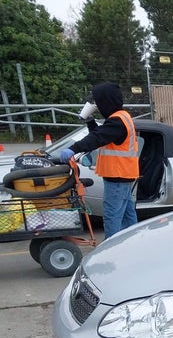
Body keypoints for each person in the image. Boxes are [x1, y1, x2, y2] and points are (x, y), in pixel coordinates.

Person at [58, 83, 140, 239]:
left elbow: (97, 138)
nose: (97, 105)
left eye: (98, 101)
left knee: (112, 216)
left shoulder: (117, 121)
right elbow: (102, 134)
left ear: (105, 101)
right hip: (123, 175)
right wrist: (90, 122)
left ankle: (111, 251)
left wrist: (73, 149)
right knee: (128, 216)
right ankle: (133, 243)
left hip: (117, 177)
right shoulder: (122, 118)